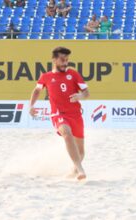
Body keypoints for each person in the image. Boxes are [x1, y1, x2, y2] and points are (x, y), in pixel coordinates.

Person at [29, 47, 90, 180]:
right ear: (54, 60)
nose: (65, 63)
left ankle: (74, 171)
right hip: (59, 114)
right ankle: (80, 170)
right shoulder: (46, 76)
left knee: (81, 152)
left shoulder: (73, 74)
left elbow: (86, 93)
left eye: (67, 60)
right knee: (67, 134)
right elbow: (37, 90)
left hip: (75, 114)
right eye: (62, 60)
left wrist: (79, 96)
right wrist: (31, 105)